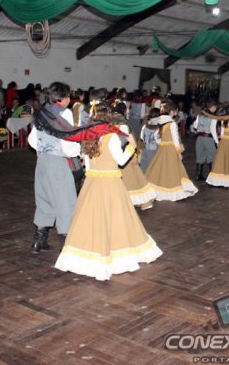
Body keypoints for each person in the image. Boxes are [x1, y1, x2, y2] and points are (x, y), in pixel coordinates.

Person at [55, 101, 162, 281]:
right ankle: (114, 252)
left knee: (90, 220)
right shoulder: (111, 136)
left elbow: (87, 164)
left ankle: (87, 254)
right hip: (111, 183)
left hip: (92, 183)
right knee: (117, 219)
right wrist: (131, 146)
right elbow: (121, 161)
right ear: (109, 118)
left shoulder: (88, 136)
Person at [27, 82, 81, 253]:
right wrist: (77, 151)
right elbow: (68, 141)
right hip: (58, 162)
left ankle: (38, 241)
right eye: (68, 96)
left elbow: (32, 140)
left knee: (44, 200)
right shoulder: (64, 113)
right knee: (65, 201)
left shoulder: (41, 112)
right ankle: (66, 246)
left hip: (42, 162)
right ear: (63, 98)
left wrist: (45, 149)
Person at [145, 102, 198, 201]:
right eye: (175, 111)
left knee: (161, 169)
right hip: (170, 149)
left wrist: (162, 143)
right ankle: (171, 190)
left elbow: (156, 136)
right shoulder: (172, 123)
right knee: (172, 170)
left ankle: (159, 190)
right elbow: (175, 139)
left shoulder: (161, 122)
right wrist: (178, 152)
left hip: (162, 149)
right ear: (172, 111)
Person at [192, 100, 219, 181]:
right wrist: (217, 141)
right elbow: (213, 130)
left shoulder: (200, 115)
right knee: (213, 157)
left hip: (199, 138)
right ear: (213, 107)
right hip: (208, 138)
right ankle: (212, 177)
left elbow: (195, 126)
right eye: (215, 107)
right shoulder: (213, 116)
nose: (216, 109)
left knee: (200, 156)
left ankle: (198, 175)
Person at [140, 108, 160, 173]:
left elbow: (141, 137)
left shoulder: (145, 126)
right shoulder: (158, 129)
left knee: (144, 168)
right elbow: (158, 141)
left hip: (145, 149)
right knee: (152, 170)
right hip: (154, 150)